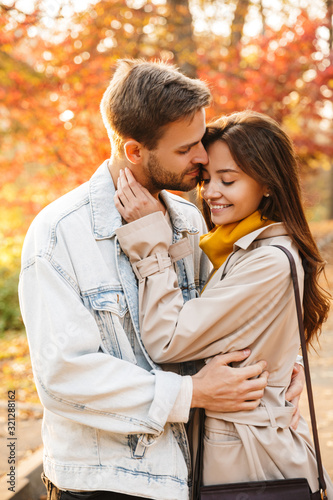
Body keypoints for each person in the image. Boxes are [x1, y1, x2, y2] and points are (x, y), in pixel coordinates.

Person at [19, 60, 303, 500]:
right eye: (187, 148)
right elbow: (63, 377)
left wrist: (285, 365)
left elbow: (226, 318)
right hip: (106, 485)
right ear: (135, 152)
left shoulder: (189, 220)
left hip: (189, 476)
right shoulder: (60, 234)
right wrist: (189, 393)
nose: (203, 157)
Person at [114, 110, 333, 497]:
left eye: (227, 180)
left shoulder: (266, 260)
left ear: (267, 184)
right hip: (239, 450)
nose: (211, 192)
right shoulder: (238, 248)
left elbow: (168, 340)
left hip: (251, 460)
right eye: (207, 179)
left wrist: (149, 242)